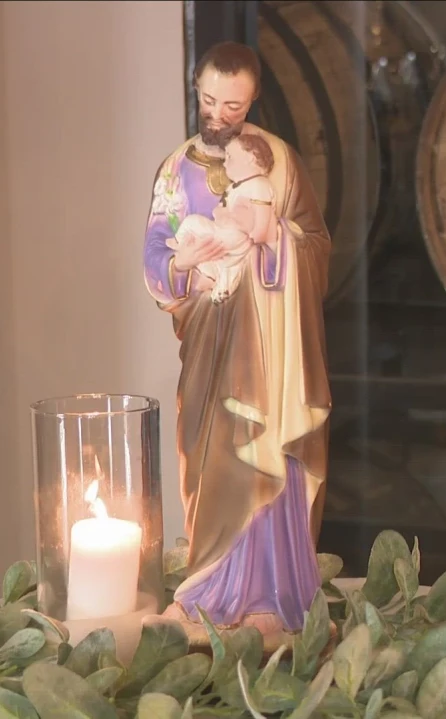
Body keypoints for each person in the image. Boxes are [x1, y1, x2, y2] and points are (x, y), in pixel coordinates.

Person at [142, 41, 332, 641]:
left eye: (233, 105)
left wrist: (274, 238)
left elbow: (316, 247)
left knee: (268, 452)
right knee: (211, 456)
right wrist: (185, 267)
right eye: (209, 101)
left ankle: (274, 595)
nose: (218, 115)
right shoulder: (175, 170)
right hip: (210, 340)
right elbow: (155, 252)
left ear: (252, 102)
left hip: (272, 349)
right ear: (196, 90)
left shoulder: (279, 160)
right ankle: (209, 589)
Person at [166, 133, 278, 304]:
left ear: (250, 158)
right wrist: (223, 215)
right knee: (206, 249)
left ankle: (181, 244)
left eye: (230, 157)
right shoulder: (235, 187)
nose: (225, 163)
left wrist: (248, 230)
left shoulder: (258, 185)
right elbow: (221, 211)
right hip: (228, 233)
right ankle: (214, 278)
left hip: (239, 237)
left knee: (194, 226)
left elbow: (261, 225)